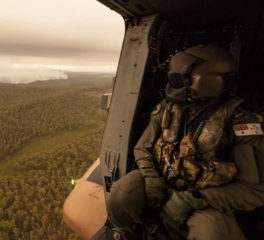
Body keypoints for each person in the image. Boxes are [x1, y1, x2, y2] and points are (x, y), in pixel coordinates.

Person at [105, 44, 264, 240]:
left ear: (209, 82)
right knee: (121, 194)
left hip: (204, 198)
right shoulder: (168, 107)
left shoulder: (241, 123)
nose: (174, 86)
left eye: (182, 80)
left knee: (210, 233)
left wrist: (195, 199)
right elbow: (142, 147)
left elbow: (254, 191)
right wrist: (150, 176)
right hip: (163, 180)